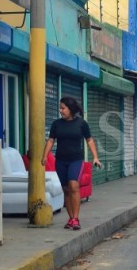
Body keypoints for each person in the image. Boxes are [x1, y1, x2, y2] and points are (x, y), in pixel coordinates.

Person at [42, 97, 102, 231]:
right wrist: (45, 155)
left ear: (71, 109)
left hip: (76, 160)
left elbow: (90, 140)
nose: (60, 111)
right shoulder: (56, 124)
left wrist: (95, 157)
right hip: (61, 161)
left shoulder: (81, 124)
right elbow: (51, 140)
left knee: (73, 185)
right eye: (60, 108)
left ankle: (76, 218)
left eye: (63, 108)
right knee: (66, 190)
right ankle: (71, 219)